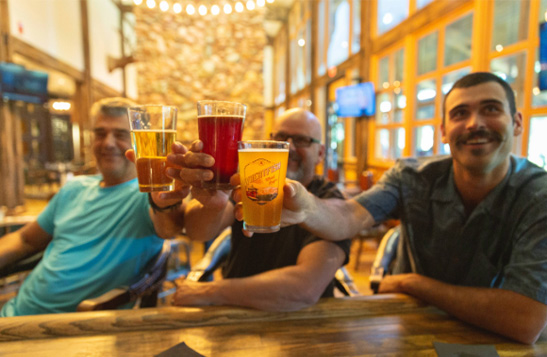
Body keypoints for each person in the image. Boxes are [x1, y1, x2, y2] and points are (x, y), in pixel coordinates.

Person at [233, 72, 547, 344]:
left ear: (517, 123)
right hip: (408, 332)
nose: (474, 124)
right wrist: (306, 208)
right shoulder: (411, 176)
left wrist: (413, 284)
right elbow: (351, 215)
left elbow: (524, 320)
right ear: (443, 131)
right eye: (460, 113)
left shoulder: (539, 196)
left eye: (491, 109)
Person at [0, 97, 186, 316]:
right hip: (13, 312)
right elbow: (24, 239)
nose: (107, 143)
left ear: (139, 141)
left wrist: (166, 200)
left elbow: (169, 228)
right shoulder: (74, 188)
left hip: (72, 328)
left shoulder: (148, 193)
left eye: (120, 134)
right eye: (100, 133)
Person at [168, 108, 352, 312]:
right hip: (235, 319)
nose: (289, 146)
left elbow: (304, 289)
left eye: (301, 140)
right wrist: (215, 205)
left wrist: (210, 292)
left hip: (302, 324)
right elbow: (198, 233)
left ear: (320, 154)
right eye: (281, 137)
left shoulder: (331, 202)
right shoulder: (248, 178)